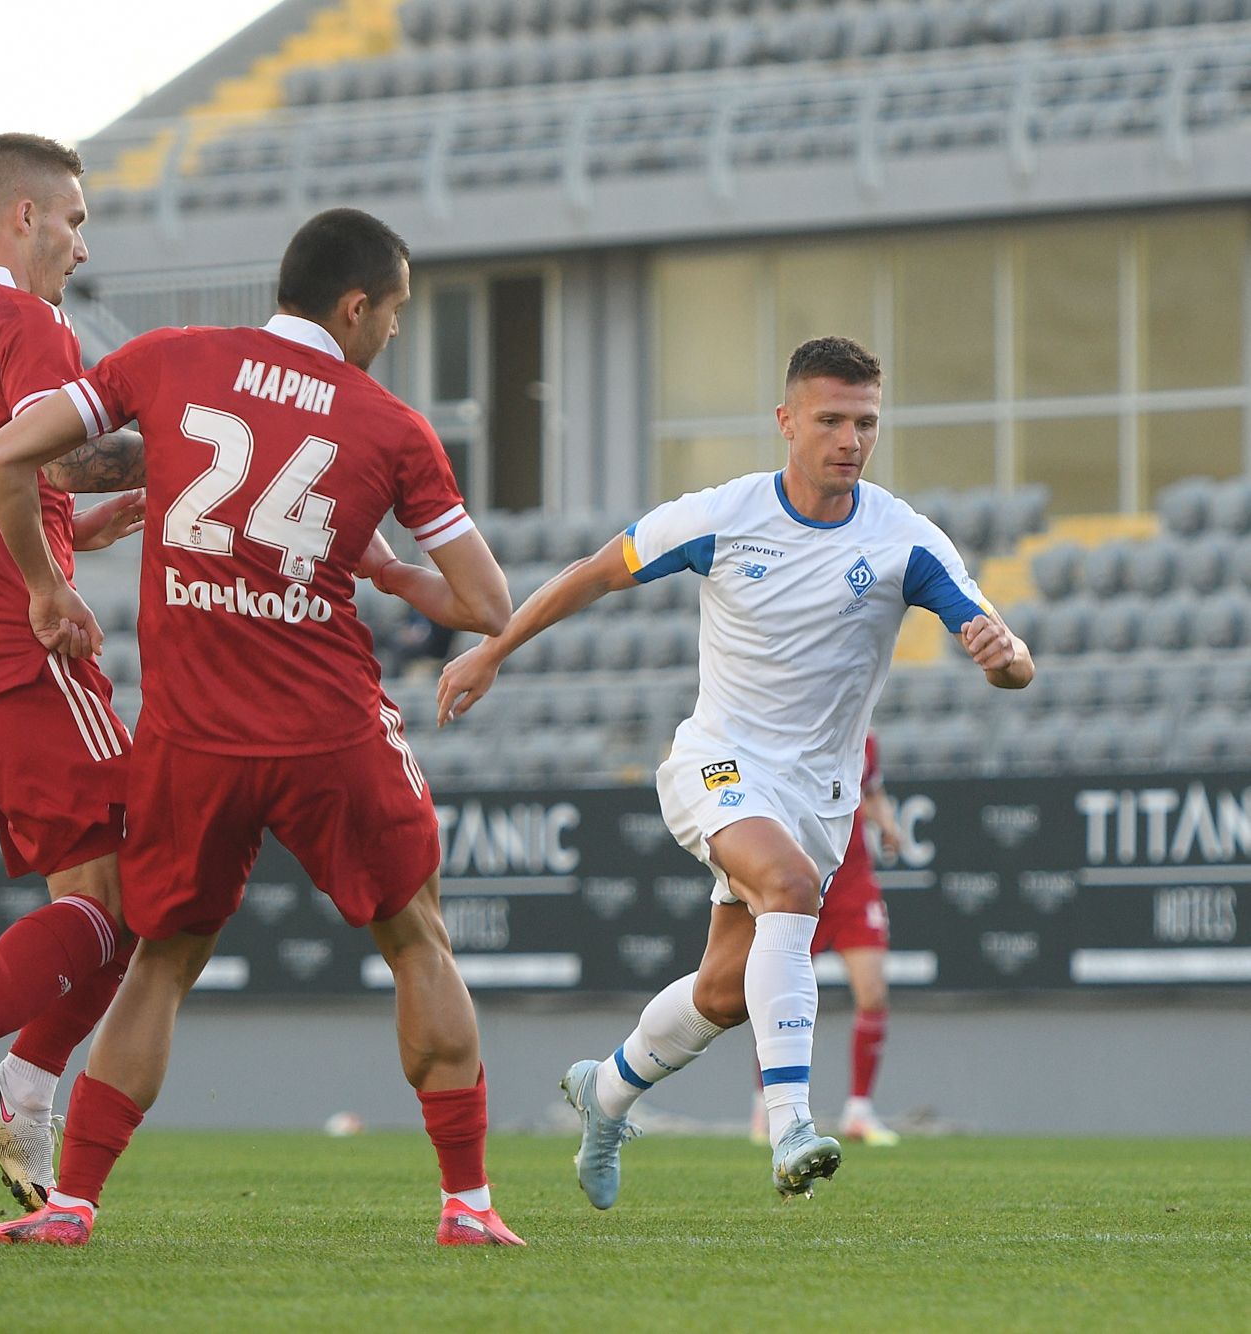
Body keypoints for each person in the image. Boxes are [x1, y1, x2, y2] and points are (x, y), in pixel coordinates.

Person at [0, 207, 525, 1249]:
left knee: (161, 961)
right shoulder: (388, 424)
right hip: (328, 727)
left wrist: (48, 584)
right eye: (394, 314)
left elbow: (10, 454)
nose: (392, 334)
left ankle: (74, 1204)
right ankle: (467, 1202)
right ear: (354, 306)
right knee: (416, 939)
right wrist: (384, 568)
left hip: (192, 737)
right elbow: (486, 604)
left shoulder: (169, 358)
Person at [436, 335, 1034, 1207]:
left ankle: (601, 1096)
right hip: (715, 761)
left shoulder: (906, 541)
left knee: (724, 991)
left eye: (866, 422)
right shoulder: (725, 516)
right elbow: (596, 573)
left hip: (818, 798)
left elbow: (1014, 663)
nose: (850, 439)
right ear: (787, 421)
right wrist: (494, 650)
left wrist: (1002, 653)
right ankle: (791, 1124)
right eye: (830, 420)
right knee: (787, 887)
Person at [0, 134, 145, 1213]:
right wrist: (226, 430)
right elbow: (56, 448)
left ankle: (23, 1085)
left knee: (107, 892)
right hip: (20, 642)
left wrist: (69, 536)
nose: (80, 245)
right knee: (146, 869)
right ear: (21, 218)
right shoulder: (22, 319)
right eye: (74, 220)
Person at [750, 730, 903, 1147]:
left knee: (873, 993)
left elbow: (871, 791)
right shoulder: (793, 728)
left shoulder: (866, 738)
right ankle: (767, 1105)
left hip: (854, 884)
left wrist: (888, 826)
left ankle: (859, 1111)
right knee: (778, 992)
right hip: (802, 880)